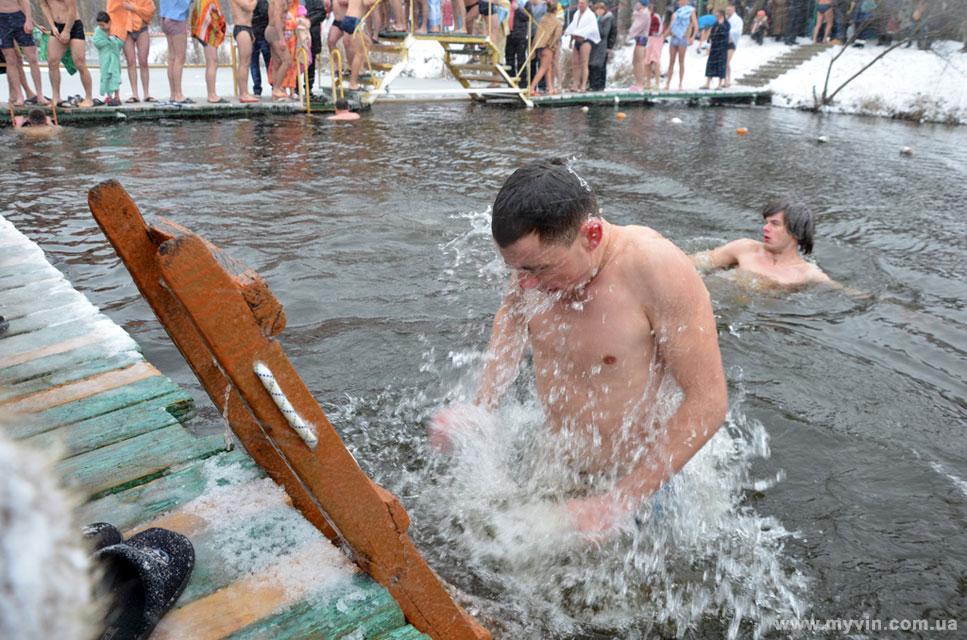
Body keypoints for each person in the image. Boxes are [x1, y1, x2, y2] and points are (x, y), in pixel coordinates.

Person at [430, 159, 728, 534]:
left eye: (539, 270)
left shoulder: (657, 270)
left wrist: (620, 501)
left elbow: (708, 401)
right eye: (517, 271)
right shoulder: (533, 266)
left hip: (642, 482)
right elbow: (512, 315)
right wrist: (482, 408)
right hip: (558, 459)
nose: (525, 286)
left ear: (592, 235)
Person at [691, 201, 830, 287]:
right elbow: (695, 262)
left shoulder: (807, 274)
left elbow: (843, 293)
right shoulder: (744, 248)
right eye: (766, 223)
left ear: (795, 232)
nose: (765, 228)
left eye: (775, 224)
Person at [38, 0, 93, 107]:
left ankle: (88, 98)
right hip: (56, 25)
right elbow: (44, 5)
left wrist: (67, 30)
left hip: (73, 25)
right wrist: (52, 25)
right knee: (52, 62)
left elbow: (72, 9)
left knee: (79, 63)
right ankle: (56, 97)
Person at [0, 0, 49, 107]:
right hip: (2, 21)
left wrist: (30, 21)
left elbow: (24, 2)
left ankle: (40, 94)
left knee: (32, 57)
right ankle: (19, 95)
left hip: (18, 16)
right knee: (10, 60)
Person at [107, 0, 154, 102]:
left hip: (142, 28)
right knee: (131, 61)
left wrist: (134, 8)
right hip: (125, 30)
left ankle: (146, 93)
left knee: (143, 61)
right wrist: (112, 30)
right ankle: (134, 94)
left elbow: (150, 11)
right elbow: (112, 11)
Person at [190, 0, 227, 102]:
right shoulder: (206, 1)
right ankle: (211, 94)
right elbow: (209, 17)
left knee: (212, 62)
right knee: (212, 61)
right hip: (208, 33)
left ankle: (212, 93)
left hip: (206, 31)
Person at [564, 0, 599, 92]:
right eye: (579, 3)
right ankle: (575, 84)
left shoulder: (590, 15)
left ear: (587, 4)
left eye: (582, 3)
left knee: (584, 63)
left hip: (585, 41)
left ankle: (583, 84)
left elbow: (592, 29)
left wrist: (581, 33)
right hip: (576, 41)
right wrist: (570, 37)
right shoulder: (576, 14)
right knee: (575, 63)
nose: (580, 5)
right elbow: (574, 26)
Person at [159, 0, 191, 102]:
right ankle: (178, 94)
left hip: (165, 17)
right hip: (177, 18)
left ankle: (173, 94)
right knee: (179, 57)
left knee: (172, 57)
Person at [528, 0, 561, 95]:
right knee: (543, 68)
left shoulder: (543, 19)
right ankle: (532, 87)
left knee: (548, 68)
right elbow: (556, 37)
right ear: (556, 10)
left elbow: (538, 34)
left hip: (539, 46)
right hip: (548, 48)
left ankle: (550, 88)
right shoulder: (557, 22)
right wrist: (553, 48)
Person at [663, 0, 697, 91]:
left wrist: (692, 37)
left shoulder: (690, 11)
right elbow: (670, 27)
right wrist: (662, 37)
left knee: (681, 61)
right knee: (671, 61)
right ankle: (667, 83)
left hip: (683, 38)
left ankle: (680, 84)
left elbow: (695, 25)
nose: (680, 2)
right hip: (674, 38)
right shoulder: (675, 14)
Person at [93, 11, 123, 105]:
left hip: (114, 58)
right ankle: (109, 96)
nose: (101, 27)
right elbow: (96, 42)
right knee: (106, 76)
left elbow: (120, 43)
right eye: (99, 25)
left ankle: (117, 96)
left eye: (103, 25)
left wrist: (113, 40)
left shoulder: (115, 29)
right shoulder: (98, 31)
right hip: (104, 58)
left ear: (109, 22)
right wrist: (107, 41)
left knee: (115, 76)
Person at [586, 1, 614, 91]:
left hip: (602, 45)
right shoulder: (594, 18)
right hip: (593, 44)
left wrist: (610, 46)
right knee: (591, 65)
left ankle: (599, 86)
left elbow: (605, 33)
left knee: (599, 66)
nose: (599, 11)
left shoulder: (607, 19)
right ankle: (592, 84)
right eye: (597, 9)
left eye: (601, 9)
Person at [702, 8, 728, 89]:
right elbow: (712, 32)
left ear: (722, 15)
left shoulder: (726, 24)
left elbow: (725, 33)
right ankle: (707, 83)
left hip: (722, 48)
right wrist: (709, 38)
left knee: (721, 66)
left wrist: (721, 25)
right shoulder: (715, 23)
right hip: (714, 47)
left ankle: (720, 84)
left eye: (718, 15)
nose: (716, 16)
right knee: (710, 65)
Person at [250, 0, 271, 95]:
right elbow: (265, 13)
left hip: (251, 32)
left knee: (253, 63)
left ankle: (257, 88)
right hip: (263, 33)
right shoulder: (263, 2)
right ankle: (274, 85)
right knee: (269, 62)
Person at [724, 3, 741, 87]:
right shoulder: (725, 19)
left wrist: (727, 31)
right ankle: (724, 79)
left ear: (734, 9)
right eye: (727, 10)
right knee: (723, 61)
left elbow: (738, 31)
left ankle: (728, 80)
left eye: (729, 10)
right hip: (723, 42)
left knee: (726, 61)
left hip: (732, 42)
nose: (728, 11)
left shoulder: (737, 20)